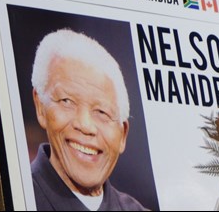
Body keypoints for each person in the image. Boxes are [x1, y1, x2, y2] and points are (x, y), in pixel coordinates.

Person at [30, 29, 147, 210]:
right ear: (40, 107)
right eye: (67, 101)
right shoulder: (16, 196)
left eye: (101, 112)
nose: (85, 125)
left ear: (123, 134)